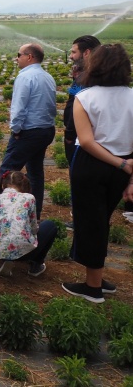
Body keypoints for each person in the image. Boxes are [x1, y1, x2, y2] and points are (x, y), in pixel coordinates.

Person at [62, 44, 133, 303]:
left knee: (90, 223)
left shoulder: (85, 97)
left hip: (92, 165)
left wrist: (120, 164)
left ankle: (92, 288)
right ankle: (98, 279)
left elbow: (87, 142)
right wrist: (127, 170)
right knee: (101, 220)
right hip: (123, 165)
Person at [0, 43, 56, 219]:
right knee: (35, 172)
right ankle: (34, 213)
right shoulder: (47, 76)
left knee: (7, 171)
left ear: (29, 57)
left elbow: (19, 108)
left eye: (19, 55)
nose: (17, 58)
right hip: (46, 130)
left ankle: (4, 213)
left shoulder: (25, 77)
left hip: (28, 132)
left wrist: (16, 130)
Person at [0, 171, 57, 278]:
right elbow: (34, 228)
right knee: (50, 225)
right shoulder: (29, 198)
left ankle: (6, 257)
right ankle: (36, 264)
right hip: (23, 253)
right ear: (24, 185)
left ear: (3, 185)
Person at [64, 35, 101, 160]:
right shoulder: (100, 75)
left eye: (74, 52)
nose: (70, 56)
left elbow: (76, 107)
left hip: (80, 138)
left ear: (86, 53)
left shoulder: (86, 78)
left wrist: (69, 136)